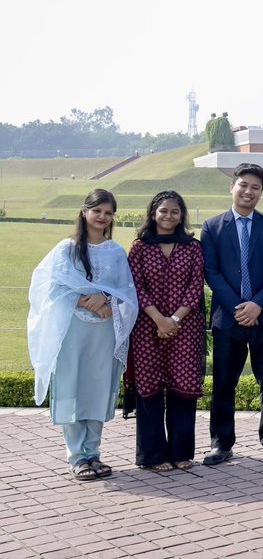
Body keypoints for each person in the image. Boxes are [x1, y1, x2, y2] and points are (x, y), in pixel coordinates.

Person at [28, 189, 138, 481]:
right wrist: (84, 301)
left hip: (104, 331)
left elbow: (127, 291)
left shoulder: (115, 251)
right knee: (72, 387)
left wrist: (106, 300)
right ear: (84, 211)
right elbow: (48, 287)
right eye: (97, 211)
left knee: (97, 388)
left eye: (108, 212)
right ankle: (77, 456)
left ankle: (94, 453)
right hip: (72, 330)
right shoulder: (67, 249)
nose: (102, 217)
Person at [201, 163, 263, 465]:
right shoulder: (212, 227)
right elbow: (211, 271)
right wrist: (240, 306)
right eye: (244, 185)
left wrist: (258, 304)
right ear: (232, 187)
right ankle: (221, 443)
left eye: (256, 187)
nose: (249, 191)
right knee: (225, 383)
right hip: (229, 318)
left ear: (261, 193)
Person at [127, 191, 206, 471]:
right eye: (163, 211)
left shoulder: (192, 248)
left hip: (185, 328)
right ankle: (153, 456)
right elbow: (135, 287)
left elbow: (196, 287)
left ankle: (181, 452)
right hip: (147, 328)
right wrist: (159, 319)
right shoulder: (140, 247)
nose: (169, 216)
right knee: (149, 389)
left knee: (182, 389)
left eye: (175, 211)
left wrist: (173, 319)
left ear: (182, 215)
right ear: (153, 213)